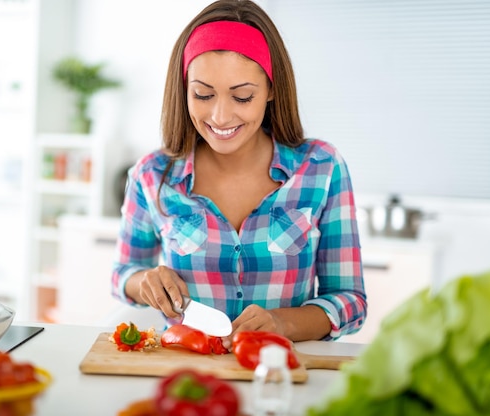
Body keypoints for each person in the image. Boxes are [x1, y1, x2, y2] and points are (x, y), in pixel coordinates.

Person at [111, 0, 366, 346]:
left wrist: (283, 323)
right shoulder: (152, 175)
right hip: (189, 379)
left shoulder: (321, 167)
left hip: (281, 377)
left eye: (242, 97)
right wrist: (145, 282)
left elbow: (350, 300)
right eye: (202, 94)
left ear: (272, 89)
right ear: (184, 89)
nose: (220, 116)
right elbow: (122, 275)